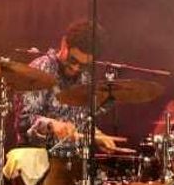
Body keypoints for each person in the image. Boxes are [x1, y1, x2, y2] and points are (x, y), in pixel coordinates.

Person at [17, 20, 128, 154]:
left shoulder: (85, 78)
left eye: (83, 65)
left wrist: (97, 135)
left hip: (74, 163)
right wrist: (51, 125)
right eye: (73, 60)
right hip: (37, 162)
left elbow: (81, 123)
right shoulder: (40, 69)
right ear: (64, 44)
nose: (76, 68)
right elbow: (23, 121)